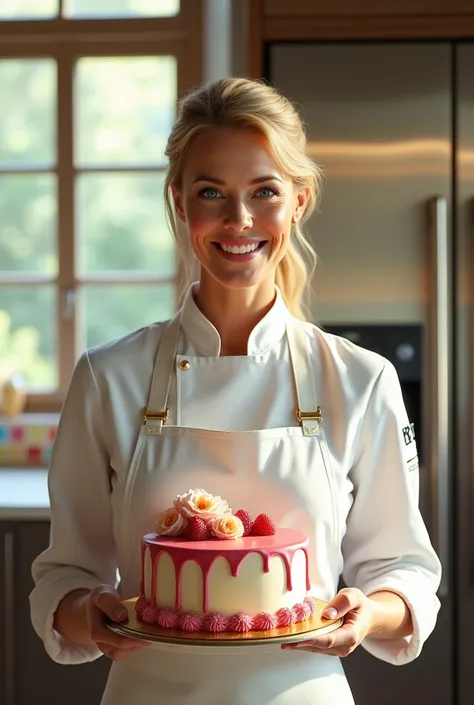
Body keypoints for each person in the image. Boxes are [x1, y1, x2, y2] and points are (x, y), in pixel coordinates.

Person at [30, 77, 442, 705]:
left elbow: (404, 569)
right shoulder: (108, 377)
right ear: (179, 202)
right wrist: (92, 610)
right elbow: (63, 578)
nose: (239, 220)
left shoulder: (361, 379)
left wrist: (368, 612)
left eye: (265, 192)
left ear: (299, 202)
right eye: (211, 192)